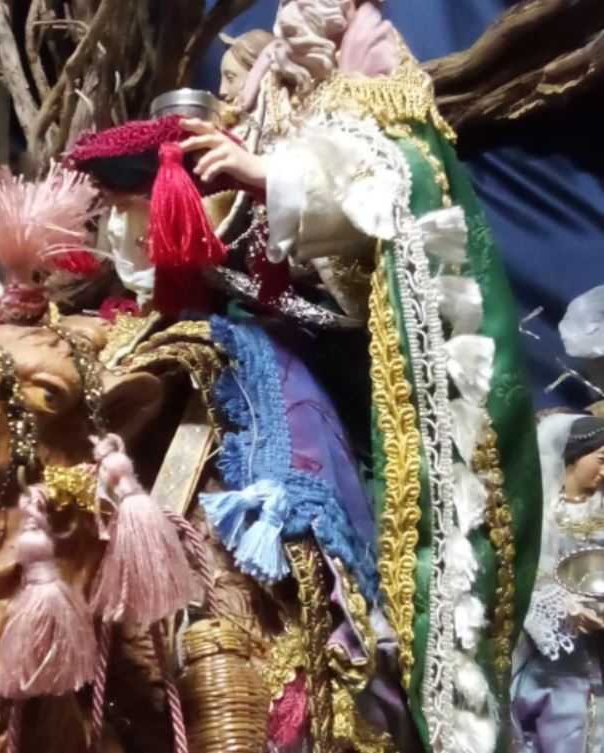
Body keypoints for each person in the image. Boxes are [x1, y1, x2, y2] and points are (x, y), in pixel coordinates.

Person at [174, 1, 541, 751]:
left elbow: (395, 183)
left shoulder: (370, 67)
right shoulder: (272, 81)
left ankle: (375, 666)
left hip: (355, 356)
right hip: (263, 327)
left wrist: (268, 177)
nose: (290, 19)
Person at [512, 414, 604, 753]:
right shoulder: (541, 514)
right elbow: (527, 574)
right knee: (560, 717)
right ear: (574, 456)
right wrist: (564, 606)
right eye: (601, 459)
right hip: (557, 652)